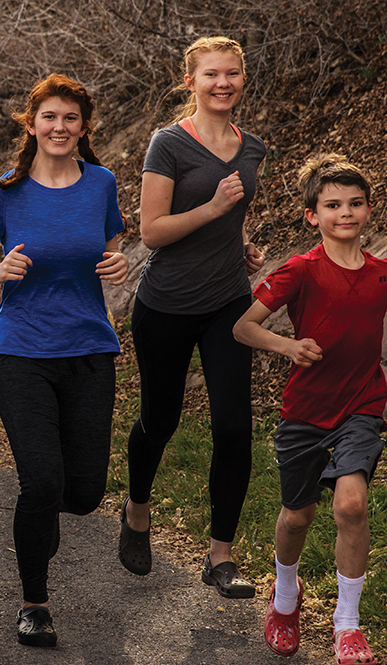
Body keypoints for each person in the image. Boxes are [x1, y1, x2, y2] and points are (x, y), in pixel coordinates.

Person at [0, 74, 129, 647]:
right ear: (31, 125)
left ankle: (40, 517)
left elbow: (108, 251)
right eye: (49, 117)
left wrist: (117, 266)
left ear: (84, 127)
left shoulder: (101, 184)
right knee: (40, 483)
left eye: (71, 118)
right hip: (22, 351)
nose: (60, 127)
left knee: (82, 493)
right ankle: (34, 602)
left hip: (89, 350)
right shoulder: (4, 193)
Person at [233, 153, 387, 665]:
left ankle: (348, 625)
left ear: (369, 210)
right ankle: (285, 600)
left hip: (361, 403)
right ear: (312, 215)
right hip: (305, 410)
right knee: (298, 515)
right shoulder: (300, 271)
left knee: (351, 506)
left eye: (355, 203)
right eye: (333, 205)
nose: (346, 213)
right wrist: (287, 347)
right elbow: (244, 328)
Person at [122, 36, 267, 597]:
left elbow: (233, 215)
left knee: (234, 425)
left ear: (242, 80)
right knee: (161, 421)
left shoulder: (251, 147)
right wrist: (213, 209)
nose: (222, 83)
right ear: (191, 82)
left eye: (232, 74)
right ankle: (137, 511)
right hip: (166, 305)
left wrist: (243, 241)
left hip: (228, 301)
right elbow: (151, 231)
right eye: (211, 75)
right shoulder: (168, 144)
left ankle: (220, 557)